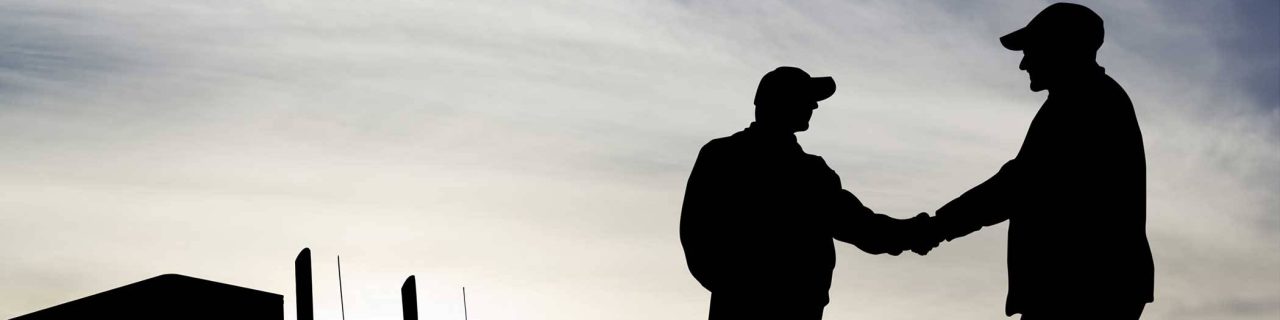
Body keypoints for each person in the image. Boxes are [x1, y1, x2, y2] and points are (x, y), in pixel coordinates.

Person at [923, 3, 1154, 319]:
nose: (1023, 63)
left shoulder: (1085, 103)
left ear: (1060, 47)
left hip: (1079, 288)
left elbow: (1018, 184)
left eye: (1031, 49)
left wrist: (937, 226)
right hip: (1086, 285)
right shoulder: (1084, 99)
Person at [680, 66, 935, 320]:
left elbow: (858, 225)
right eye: (806, 98)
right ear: (780, 101)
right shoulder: (727, 157)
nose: (814, 106)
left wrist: (913, 232)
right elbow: (697, 233)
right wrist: (741, 288)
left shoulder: (810, 170)